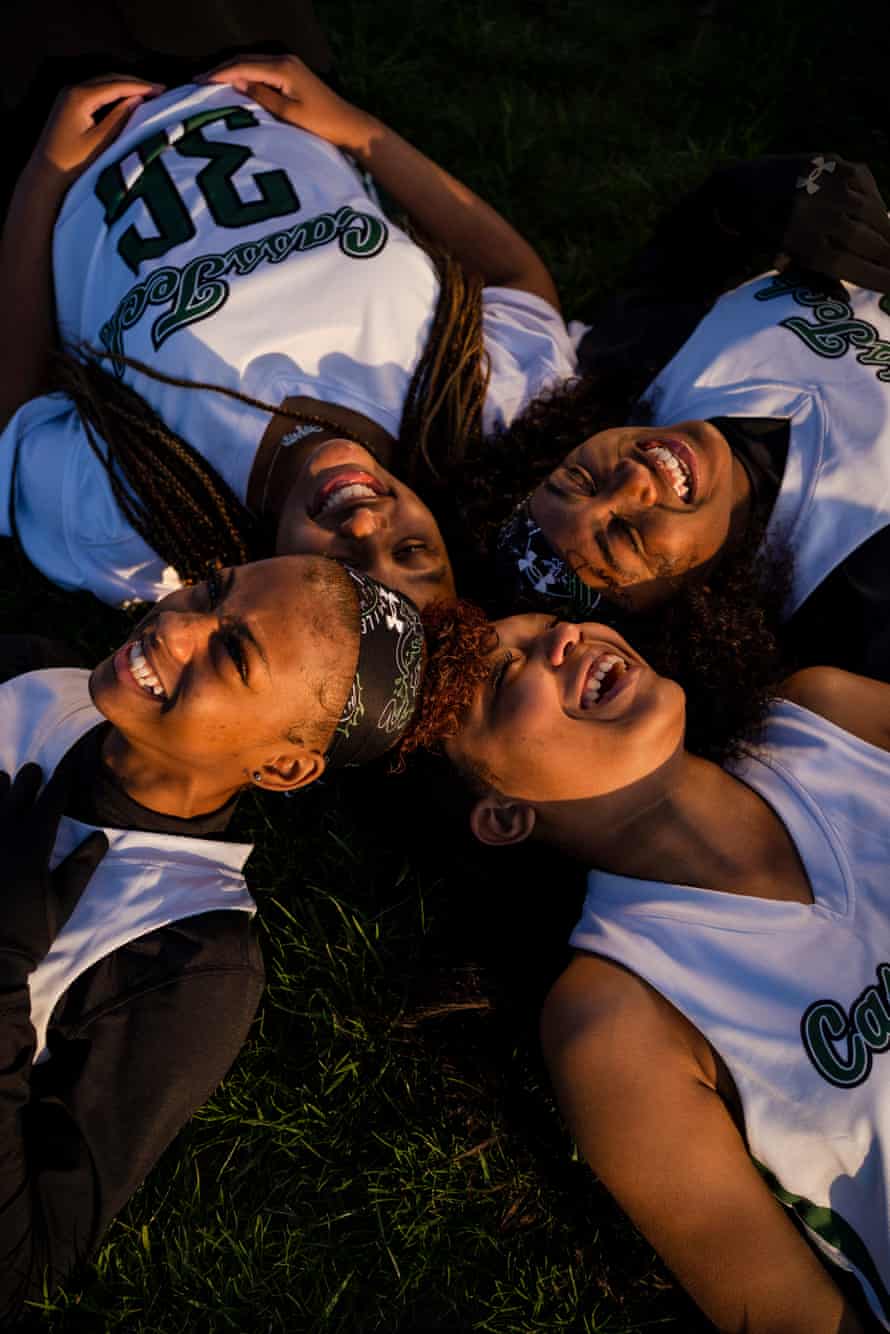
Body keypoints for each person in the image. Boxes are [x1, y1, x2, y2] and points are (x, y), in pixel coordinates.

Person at [401, 604, 890, 1332]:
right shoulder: (620, 1020)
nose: (564, 639)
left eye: (547, 625)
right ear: (503, 816)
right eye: (506, 677)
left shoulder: (829, 720)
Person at [0, 556, 424, 1318]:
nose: (174, 624)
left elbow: (21, 1268)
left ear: (285, 767)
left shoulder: (187, 957)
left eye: (232, 653)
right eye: (210, 590)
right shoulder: (35, 676)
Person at [0, 56, 574, 609]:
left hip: (59, 124)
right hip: (259, 79)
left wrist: (42, 181)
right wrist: (356, 129)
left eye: (342, 570)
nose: (365, 524)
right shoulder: (472, 408)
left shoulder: (144, 534)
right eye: (411, 549)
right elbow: (517, 280)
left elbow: (16, 429)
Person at [461, 167, 890, 680]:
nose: (630, 480)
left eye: (579, 479)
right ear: (694, 605)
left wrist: (780, 193)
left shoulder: (642, 362)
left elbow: (705, 229)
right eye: (623, 537)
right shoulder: (857, 589)